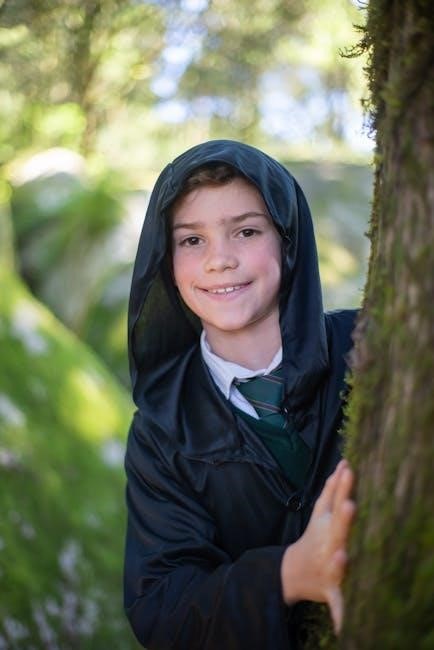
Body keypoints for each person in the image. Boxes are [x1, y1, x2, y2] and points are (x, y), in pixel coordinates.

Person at [124, 140, 356, 649]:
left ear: (288, 241)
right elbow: (162, 605)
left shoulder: (367, 347)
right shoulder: (161, 430)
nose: (220, 260)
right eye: (192, 240)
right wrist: (289, 573)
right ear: (166, 263)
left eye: (246, 231)